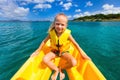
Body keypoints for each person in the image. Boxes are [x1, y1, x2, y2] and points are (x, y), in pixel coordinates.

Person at [31, 13, 90, 80]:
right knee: (45, 59)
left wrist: (82, 54)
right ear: (54, 24)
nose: (59, 26)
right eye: (57, 24)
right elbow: (44, 41)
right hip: (54, 51)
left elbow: (75, 44)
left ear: (66, 25)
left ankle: (61, 68)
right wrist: (37, 51)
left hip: (64, 52)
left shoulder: (68, 34)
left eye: (62, 25)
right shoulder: (51, 33)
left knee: (74, 62)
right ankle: (56, 69)